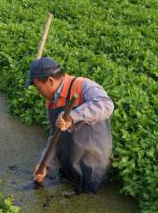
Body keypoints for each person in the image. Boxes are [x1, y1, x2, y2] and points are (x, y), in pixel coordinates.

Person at [26, 56, 114, 193]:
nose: (39, 93)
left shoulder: (83, 86)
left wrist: (72, 116)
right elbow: (54, 136)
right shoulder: (51, 101)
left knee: (88, 202)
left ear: (50, 81)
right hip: (70, 164)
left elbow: (106, 105)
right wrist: (44, 163)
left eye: (39, 88)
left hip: (92, 166)